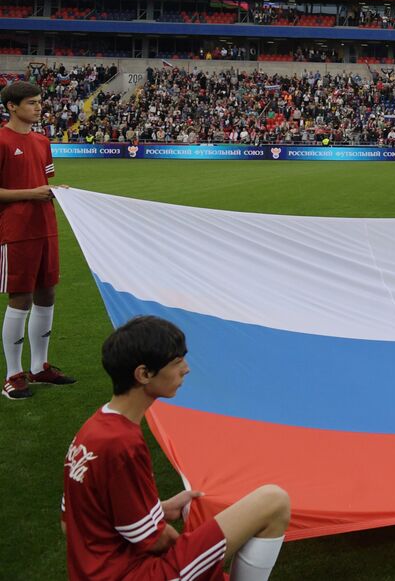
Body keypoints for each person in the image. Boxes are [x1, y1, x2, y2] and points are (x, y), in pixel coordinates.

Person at [64, 315, 290, 580]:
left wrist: (158, 510)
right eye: (177, 362)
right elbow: (157, 540)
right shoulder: (123, 444)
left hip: (95, 572)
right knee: (273, 501)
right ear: (143, 374)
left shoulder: (91, 430)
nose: (186, 369)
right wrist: (193, 549)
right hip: (135, 575)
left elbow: (71, 523)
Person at [2, 79, 76, 400]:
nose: (38, 107)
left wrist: (54, 192)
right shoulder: (2, 141)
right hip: (16, 230)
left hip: (46, 225)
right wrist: (33, 193)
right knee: (21, 298)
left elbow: (40, 182)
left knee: (47, 294)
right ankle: (12, 375)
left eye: (39, 102)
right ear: (12, 107)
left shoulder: (42, 141)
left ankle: (39, 366)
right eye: (31, 102)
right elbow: (28, 188)